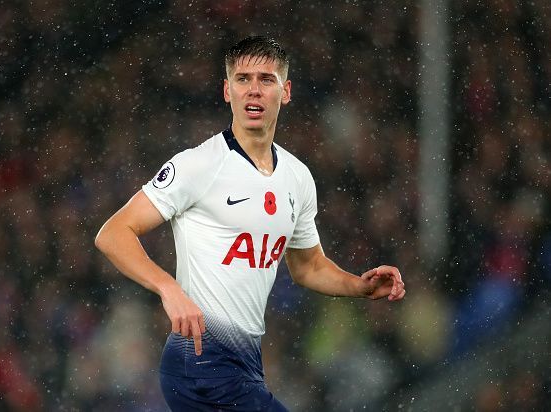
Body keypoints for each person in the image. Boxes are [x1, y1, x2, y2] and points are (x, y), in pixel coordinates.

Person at [95, 36, 406, 411]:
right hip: (199, 364)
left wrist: (358, 286)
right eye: (242, 80)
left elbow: (308, 266)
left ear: (285, 91)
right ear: (227, 91)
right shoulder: (198, 165)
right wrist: (169, 290)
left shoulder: (297, 177)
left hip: (245, 367)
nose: (253, 91)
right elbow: (113, 233)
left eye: (266, 79)